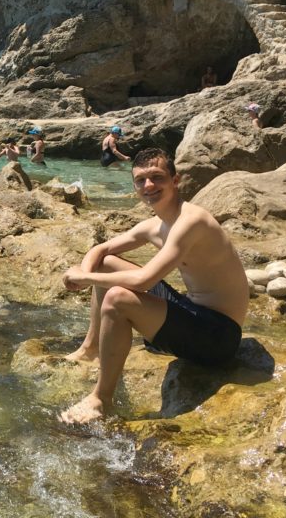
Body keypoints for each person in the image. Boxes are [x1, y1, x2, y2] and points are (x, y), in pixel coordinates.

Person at [58, 148, 250, 423]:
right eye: (141, 180)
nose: (148, 186)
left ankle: (101, 400)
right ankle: (91, 349)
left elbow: (144, 280)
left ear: (175, 180)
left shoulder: (191, 220)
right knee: (108, 263)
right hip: (193, 311)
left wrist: (85, 278)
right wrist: (84, 270)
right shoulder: (156, 224)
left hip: (218, 336)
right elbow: (102, 249)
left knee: (117, 298)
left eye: (157, 177)